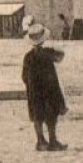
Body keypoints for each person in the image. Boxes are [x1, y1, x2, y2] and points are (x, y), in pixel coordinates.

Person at [21, 23, 68, 152]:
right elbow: (60, 57)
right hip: (50, 90)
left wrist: (30, 86)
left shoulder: (28, 56)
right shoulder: (48, 53)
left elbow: (24, 76)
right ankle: (53, 141)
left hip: (35, 92)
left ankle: (40, 141)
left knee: (37, 116)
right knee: (51, 116)